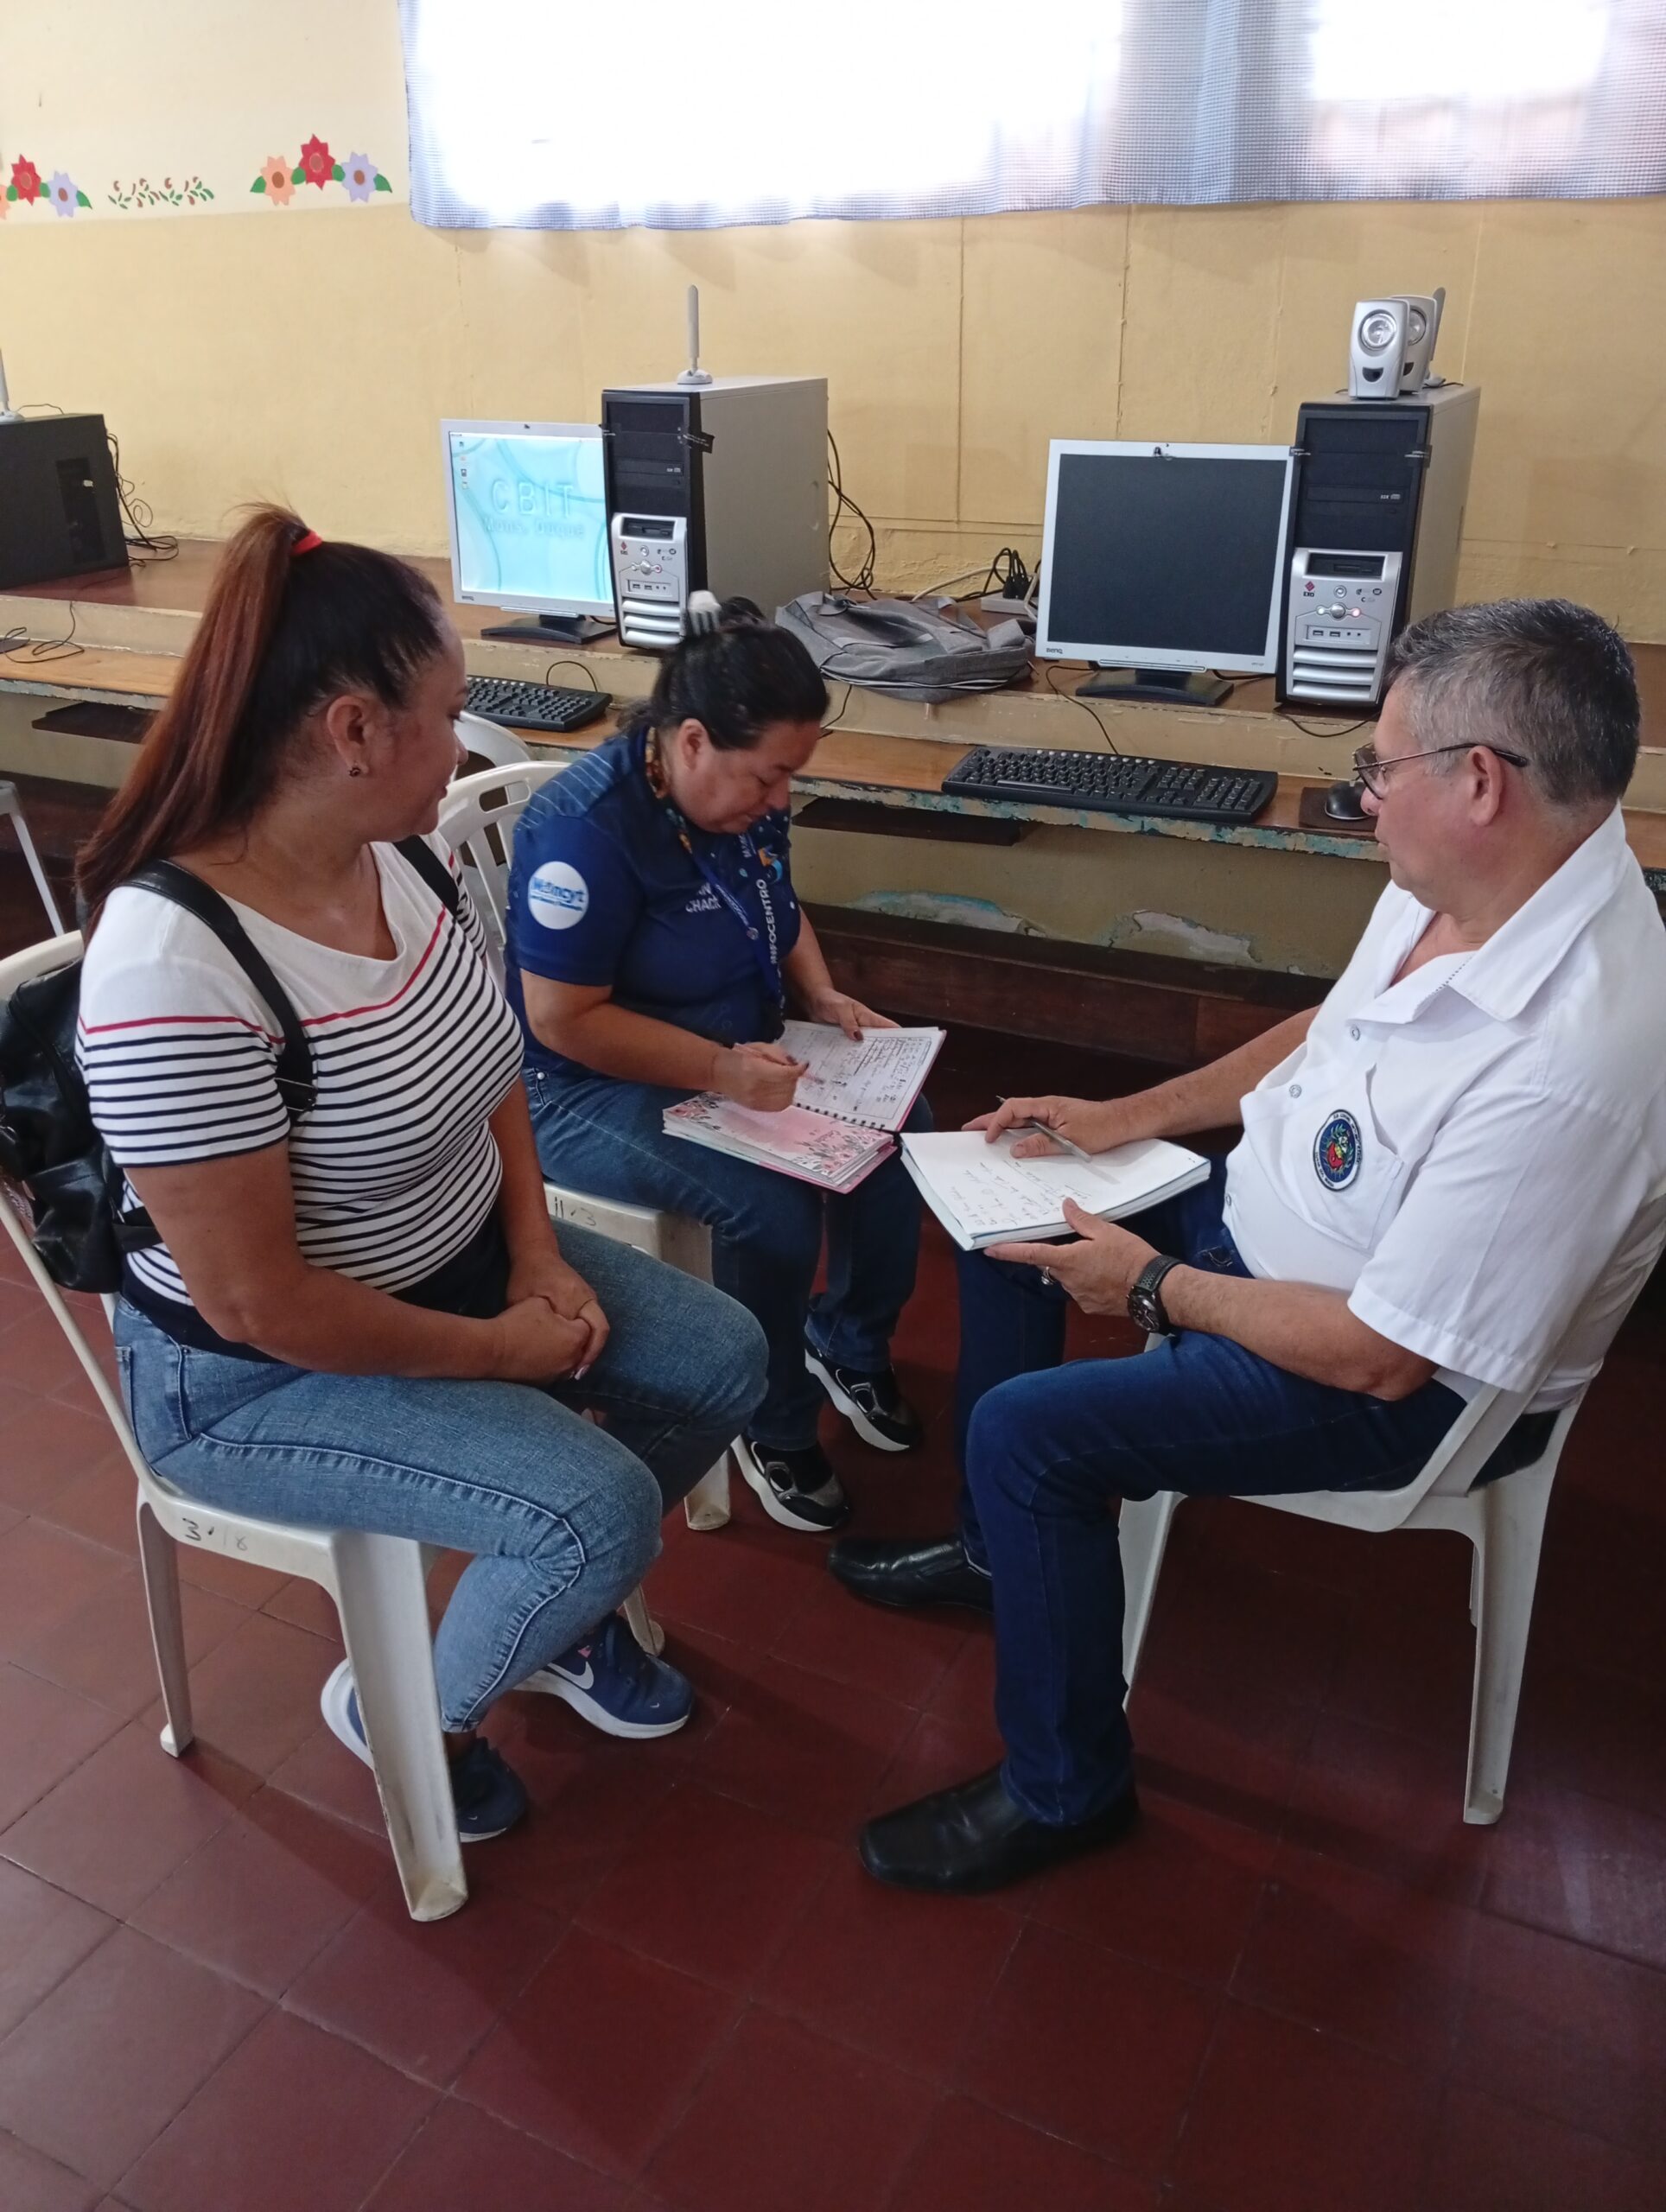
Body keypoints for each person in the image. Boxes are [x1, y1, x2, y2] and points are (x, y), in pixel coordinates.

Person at [831, 598, 1666, 1893]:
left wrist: (1154, 1287)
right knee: (1012, 1210)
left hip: (1387, 1382)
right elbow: (1329, 1028)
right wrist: (1118, 1117)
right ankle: (1008, 1556)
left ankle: (1066, 1790)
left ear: (1480, 784)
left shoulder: (1570, 1061)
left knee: (1024, 1436)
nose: (1363, 797)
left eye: (1378, 768)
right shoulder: (1476, 879)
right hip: (1277, 1241)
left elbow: (1384, 1359)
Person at [77, 509, 766, 1844]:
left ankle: (546, 1621)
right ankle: (415, 1713)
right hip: (255, 1378)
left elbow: (490, 1063)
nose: (462, 746)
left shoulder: (400, 854)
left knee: (722, 1360)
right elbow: (262, 1305)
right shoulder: (175, 970)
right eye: (447, 716)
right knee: (598, 1514)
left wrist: (537, 1251)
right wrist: (503, 1353)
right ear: (353, 731)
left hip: (455, 1265)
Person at [506, 592, 926, 1535]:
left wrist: (820, 993)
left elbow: (778, 899)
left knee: (903, 1131)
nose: (779, 801)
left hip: (734, 1047)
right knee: (768, 1205)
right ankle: (768, 1419)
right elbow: (563, 1021)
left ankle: (846, 1342)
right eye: (769, 777)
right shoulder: (585, 831)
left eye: (791, 779)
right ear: (691, 742)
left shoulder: (739, 799)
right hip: (584, 1087)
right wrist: (722, 1072)